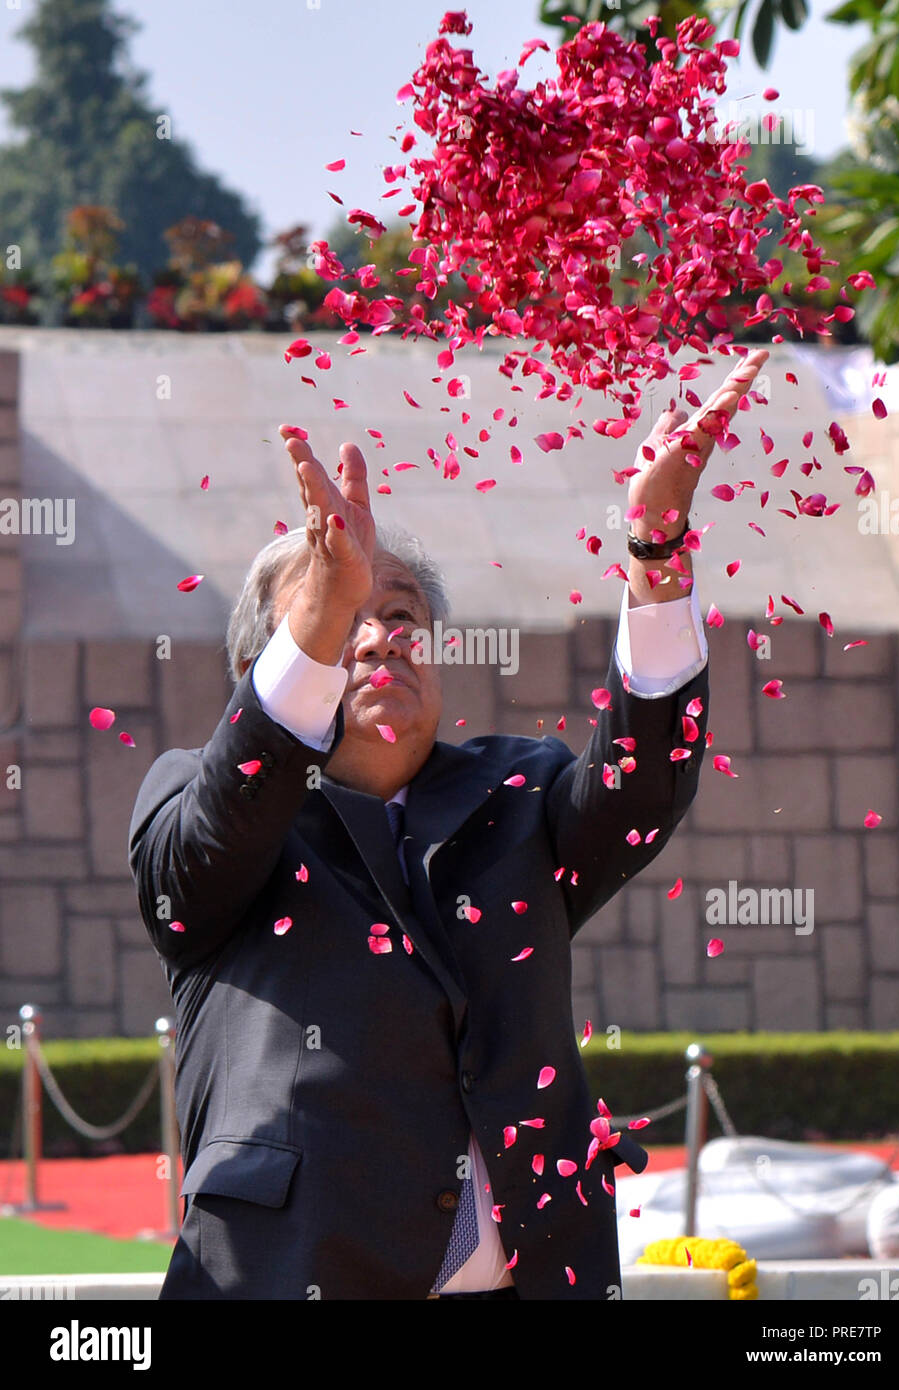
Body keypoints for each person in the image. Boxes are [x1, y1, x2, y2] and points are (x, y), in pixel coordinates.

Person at [129, 349, 768, 1300]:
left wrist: (655, 552)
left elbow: (640, 792)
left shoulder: (519, 792)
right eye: (340, 617)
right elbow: (208, 847)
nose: (379, 634)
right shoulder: (200, 804)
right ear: (271, 663)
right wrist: (318, 622)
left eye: (399, 613)